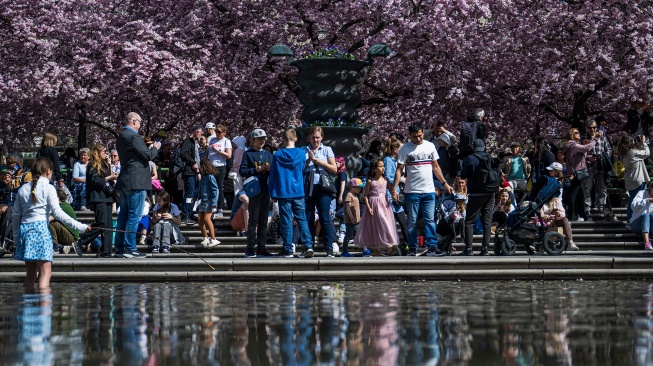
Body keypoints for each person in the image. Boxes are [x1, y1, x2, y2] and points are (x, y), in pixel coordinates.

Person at [12, 157, 90, 289]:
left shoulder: (23, 188)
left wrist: (15, 237)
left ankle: (27, 307)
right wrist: (80, 226)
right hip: (40, 231)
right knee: (45, 272)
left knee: (30, 274)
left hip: (25, 230)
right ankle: (44, 307)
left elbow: (15, 215)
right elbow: (58, 213)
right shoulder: (49, 188)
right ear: (48, 171)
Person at [391, 123, 453, 256]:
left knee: (430, 219)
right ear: (410, 136)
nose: (418, 139)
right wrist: (395, 188)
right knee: (412, 220)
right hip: (412, 191)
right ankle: (412, 247)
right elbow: (399, 170)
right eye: (414, 137)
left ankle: (432, 247)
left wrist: (444, 183)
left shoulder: (430, 146)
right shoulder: (405, 149)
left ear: (423, 133)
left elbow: (436, 167)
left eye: (419, 136)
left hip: (429, 190)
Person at [114, 112, 161, 259]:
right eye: (140, 122)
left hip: (125, 180)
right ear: (134, 121)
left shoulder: (121, 136)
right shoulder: (134, 136)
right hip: (137, 181)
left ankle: (120, 248)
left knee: (123, 216)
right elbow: (148, 156)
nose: (140, 125)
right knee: (134, 216)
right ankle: (130, 248)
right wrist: (155, 148)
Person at [268, 128, 314, 258]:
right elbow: (302, 169)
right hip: (298, 191)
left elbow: (273, 176)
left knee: (286, 220)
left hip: (283, 191)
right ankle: (308, 245)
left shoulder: (277, 155)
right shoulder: (300, 153)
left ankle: (288, 248)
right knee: (301, 218)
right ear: (295, 139)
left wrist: (272, 193)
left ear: (283, 140)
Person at [75, 145, 118, 258]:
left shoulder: (105, 165)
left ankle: (106, 251)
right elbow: (95, 180)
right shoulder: (92, 165)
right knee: (102, 223)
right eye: (104, 151)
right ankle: (80, 242)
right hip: (98, 198)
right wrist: (109, 177)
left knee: (108, 226)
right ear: (97, 153)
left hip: (107, 197)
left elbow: (109, 180)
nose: (106, 153)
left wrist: (109, 167)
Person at [303, 126, 338, 257]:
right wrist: (308, 161)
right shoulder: (303, 150)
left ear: (321, 138)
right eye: (313, 137)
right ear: (309, 138)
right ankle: (308, 246)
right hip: (308, 185)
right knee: (308, 217)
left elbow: (334, 169)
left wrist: (318, 161)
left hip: (323, 186)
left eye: (317, 137)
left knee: (325, 217)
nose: (315, 140)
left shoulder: (327, 150)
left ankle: (328, 247)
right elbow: (299, 168)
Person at [459, 139, 497, 256]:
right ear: (484, 146)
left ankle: (469, 249)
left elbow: (463, 175)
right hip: (490, 193)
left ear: (473, 148)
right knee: (487, 221)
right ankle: (485, 249)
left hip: (476, 194)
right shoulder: (490, 158)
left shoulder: (470, 159)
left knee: (470, 221)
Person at [240, 128, 274, 258]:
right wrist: (256, 169)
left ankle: (261, 247)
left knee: (264, 221)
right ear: (252, 140)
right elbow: (242, 171)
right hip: (254, 191)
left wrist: (269, 169)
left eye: (263, 138)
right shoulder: (248, 154)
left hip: (266, 189)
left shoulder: (268, 154)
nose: (262, 141)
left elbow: (274, 171)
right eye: (259, 139)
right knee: (253, 220)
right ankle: (250, 248)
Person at [355, 159, 399, 256]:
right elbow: (366, 196)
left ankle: (386, 245)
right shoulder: (370, 181)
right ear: (375, 169)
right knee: (377, 225)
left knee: (385, 224)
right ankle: (386, 246)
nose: (383, 168)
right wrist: (369, 207)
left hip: (384, 204)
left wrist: (394, 194)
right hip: (374, 204)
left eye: (383, 166)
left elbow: (392, 190)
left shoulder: (386, 180)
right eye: (380, 166)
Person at [562, 127, 598, 221]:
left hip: (576, 173)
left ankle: (581, 214)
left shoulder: (574, 145)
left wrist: (586, 153)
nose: (579, 134)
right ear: (571, 135)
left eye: (578, 132)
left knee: (579, 194)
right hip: (575, 174)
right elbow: (587, 148)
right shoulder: (573, 145)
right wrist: (595, 139)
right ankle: (573, 216)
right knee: (574, 195)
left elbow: (582, 154)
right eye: (576, 133)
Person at [542, 162, 577, 251]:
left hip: (556, 203)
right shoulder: (547, 180)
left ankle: (570, 242)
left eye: (551, 170)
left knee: (563, 219)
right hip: (545, 204)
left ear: (556, 171)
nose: (549, 172)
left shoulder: (559, 181)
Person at [580, 119, 612, 216]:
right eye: (590, 128)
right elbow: (579, 152)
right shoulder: (583, 138)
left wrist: (602, 156)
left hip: (600, 165)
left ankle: (602, 206)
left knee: (602, 187)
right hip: (588, 166)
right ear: (586, 128)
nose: (593, 130)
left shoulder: (603, 137)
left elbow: (609, 150)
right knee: (587, 187)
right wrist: (588, 158)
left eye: (594, 127)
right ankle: (587, 208)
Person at [619, 135, 651, 222]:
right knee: (637, 202)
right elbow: (647, 153)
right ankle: (635, 221)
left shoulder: (624, 153)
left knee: (632, 201)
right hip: (638, 180)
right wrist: (644, 143)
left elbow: (639, 152)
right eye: (632, 141)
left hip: (630, 180)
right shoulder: (632, 152)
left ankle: (630, 221)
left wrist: (640, 144)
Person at [206, 123, 232, 217]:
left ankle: (220, 208)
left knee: (219, 187)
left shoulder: (226, 141)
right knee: (210, 187)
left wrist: (218, 151)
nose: (217, 133)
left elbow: (229, 155)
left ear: (224, 132)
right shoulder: (212, 140)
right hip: (210, 166)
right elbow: (208, 152)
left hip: (220, 166)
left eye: (219, 132)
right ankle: (210, 206)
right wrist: (204, 160)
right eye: (216, 131)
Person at [179, 125, 203, 224]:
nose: (201, 136)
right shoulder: (187, 142)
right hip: (189, 172)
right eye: (201, 133)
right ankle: (185, 214)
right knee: (189, 193)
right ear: (196, 132)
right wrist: (193, 162)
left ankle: (189, 212)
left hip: (194, 172)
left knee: (193, 194)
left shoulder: (194, 143)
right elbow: (183, 154)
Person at [197, 159, 221, 249]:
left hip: (209, 201)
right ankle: (205, 237)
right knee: (200, 219)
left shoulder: (210, 177)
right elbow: (200, 189)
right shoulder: (203, 177)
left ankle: (214, 239)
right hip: (203, 201)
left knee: (207, 219)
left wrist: (214, 203)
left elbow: (215, 190)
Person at [48, 189, 80, 254]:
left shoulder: (63, 206)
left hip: (71, 238)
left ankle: (55, 246)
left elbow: (48, 219)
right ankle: (61, 247)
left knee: (51, 223)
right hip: (70, 236)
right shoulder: (65, 205)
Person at [340, 178, 365, 257]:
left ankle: (365, 249)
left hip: (356, 220)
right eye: (359, 187)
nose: (360, 189)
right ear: (353, 187)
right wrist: (352, 218)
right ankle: (344, 251)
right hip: (350, 221)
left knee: (360, 234)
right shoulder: (349, 195)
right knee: (348, 235)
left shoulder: (355, 195)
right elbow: (347, 208)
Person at [629, 182, 653, 250]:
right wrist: (647, 200)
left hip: (650, 227)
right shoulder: (642, 193)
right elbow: (633, 206)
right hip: (636, 224)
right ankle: (647, 242)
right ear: (651, 188)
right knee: (646, 215)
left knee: (650, 216)